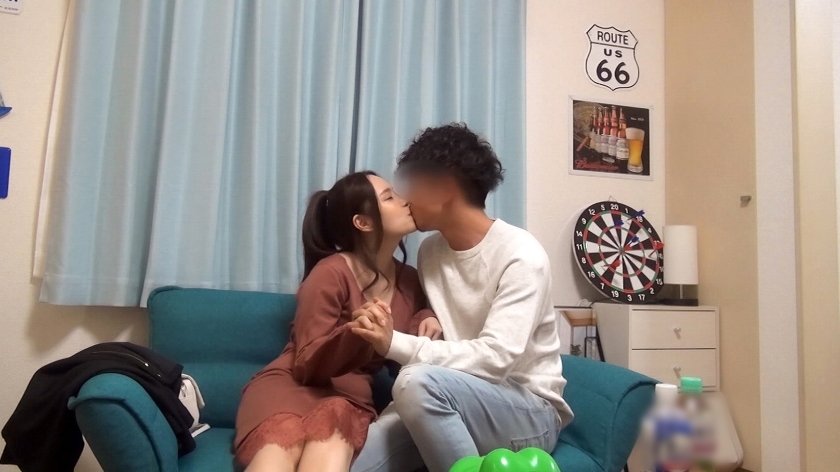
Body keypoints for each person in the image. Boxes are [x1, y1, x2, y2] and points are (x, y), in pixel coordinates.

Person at [349, 124, 574, 472]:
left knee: (415, 380)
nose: (405, 199)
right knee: (356, 463)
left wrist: (393, 343)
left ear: (442, 189)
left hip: (529, 412)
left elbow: (495, 359)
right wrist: (428, 316)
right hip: (448, 397)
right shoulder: (430, 252)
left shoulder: (520, 254)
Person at [234, 171, 443, 472]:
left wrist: (427, 316)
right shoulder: (331, 272)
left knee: (331, 438)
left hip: (348, 399)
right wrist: (357, 332)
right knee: (280, 452)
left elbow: (404, 348)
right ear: (363, 222)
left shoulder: (410, 280)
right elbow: (305, 363)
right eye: (389, 197)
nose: (404, 201)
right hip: (291, 388)